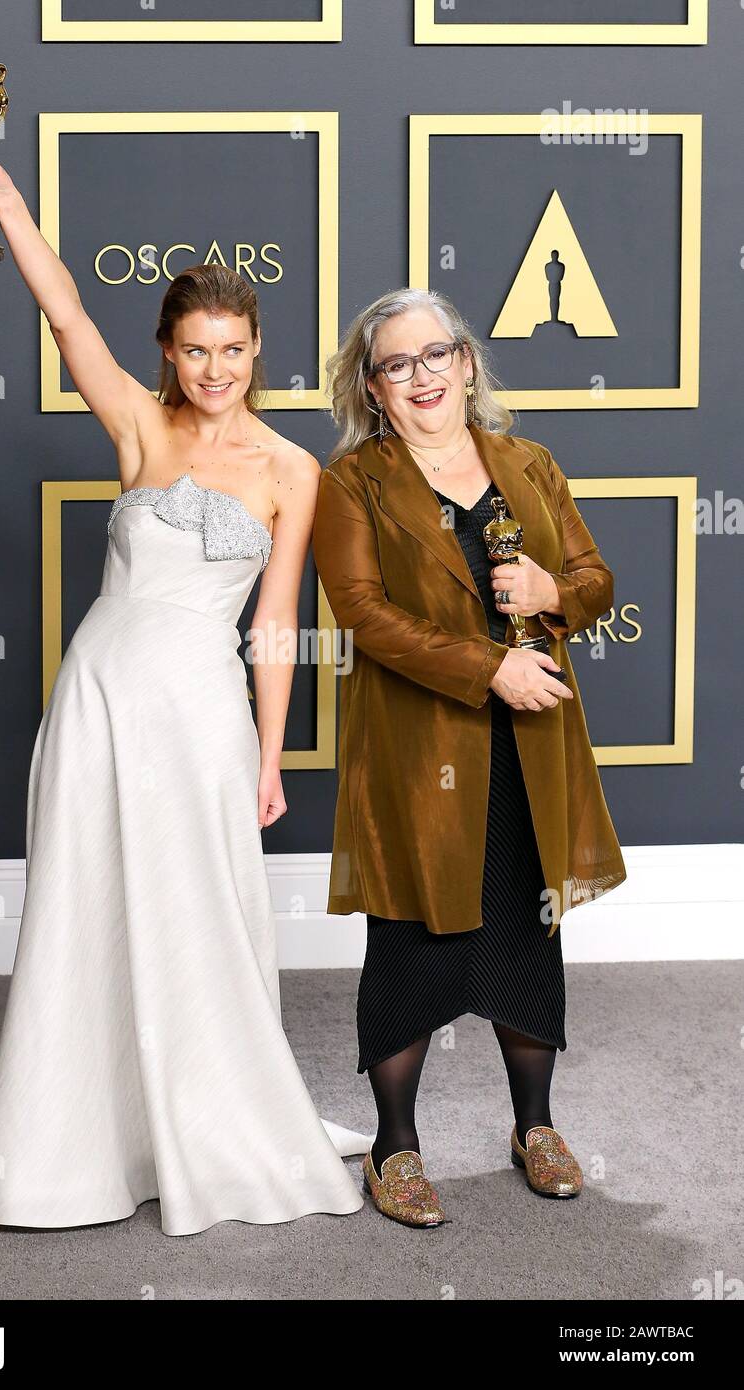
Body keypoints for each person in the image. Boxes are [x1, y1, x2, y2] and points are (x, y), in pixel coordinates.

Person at [0, 150, 370, 1237]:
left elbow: (278, 625)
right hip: (98, 700)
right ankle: (77, 1150)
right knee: (82, 911)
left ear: (256, 353)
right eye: (195, 350)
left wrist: (272, 753)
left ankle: (206, 1122)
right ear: (169, 352)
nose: (214, 368)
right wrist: (8, 208)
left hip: (200, 717)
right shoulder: (141, 428)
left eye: (232, 350)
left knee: (196, 922)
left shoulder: (293, 471)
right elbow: (65, 317)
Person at [312, 288, 627, 1228]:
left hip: (529, 746)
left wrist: (550, 589)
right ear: (371, 387)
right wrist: (490, 668)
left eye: (434, 355)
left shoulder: (527, 464)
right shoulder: (354, 482)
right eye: (395, 365)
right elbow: (364, 617)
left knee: (527, 932)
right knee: (411, 943)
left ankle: (533, 1125)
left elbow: (594, 578)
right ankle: (393, 1148)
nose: (421, 377)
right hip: (421, 750)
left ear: (466, 361)